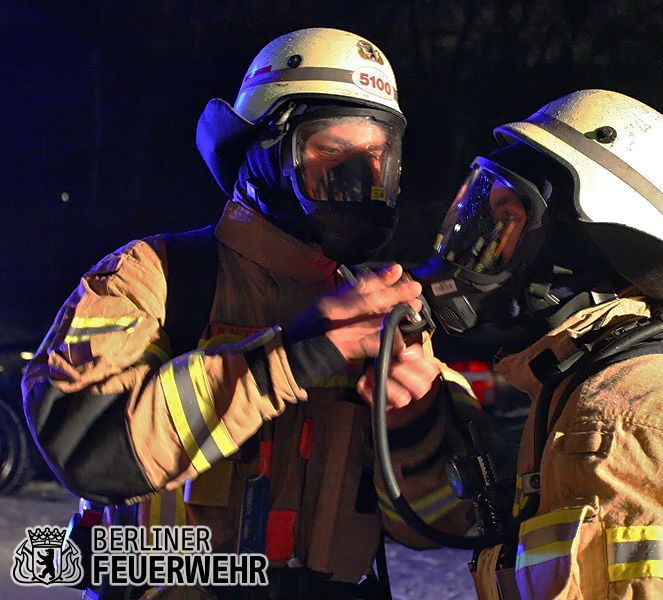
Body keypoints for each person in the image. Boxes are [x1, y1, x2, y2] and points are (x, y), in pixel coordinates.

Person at [22, 28, 480, 600]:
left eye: (377, 157)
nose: (361, 179)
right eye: (331, 153)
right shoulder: (157, 277)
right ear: (261, 154)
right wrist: (292, 356)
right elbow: (87, 447)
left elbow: (444, 523)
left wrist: (416, 426)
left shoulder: (381, 312)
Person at [415, 89, 663, 599]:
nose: (478, 244)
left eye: (505, 220)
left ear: (577, 247)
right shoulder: (617, 380)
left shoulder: (614, 421)